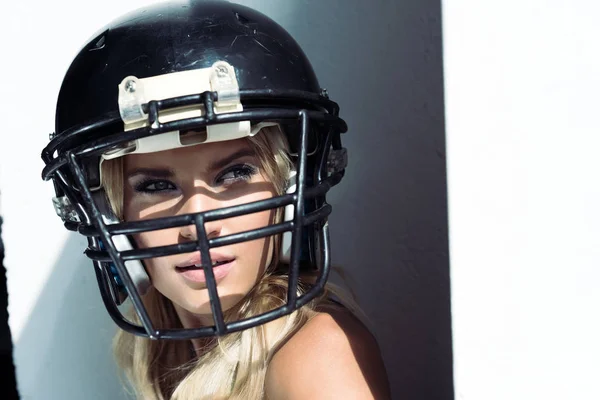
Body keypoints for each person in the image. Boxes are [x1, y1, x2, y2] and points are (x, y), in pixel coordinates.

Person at [41, 1, 390, 398]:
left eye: (235, 174)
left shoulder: (314, 354)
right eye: (156, 186)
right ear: (110, 207)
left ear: (285, 184)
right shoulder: (166, 353)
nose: (199, 219)